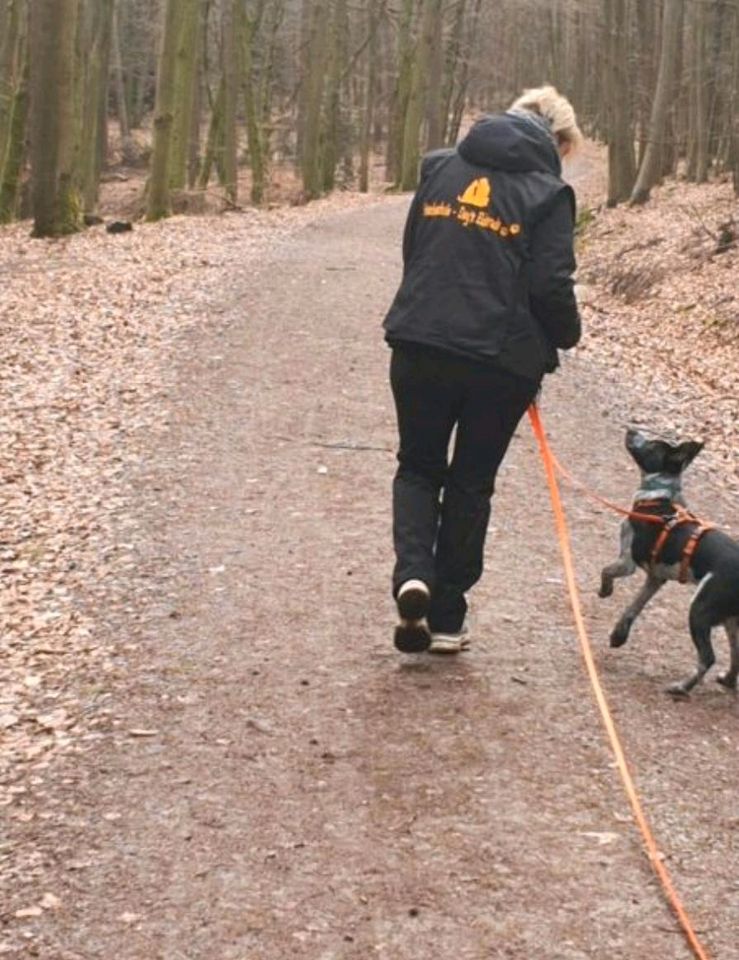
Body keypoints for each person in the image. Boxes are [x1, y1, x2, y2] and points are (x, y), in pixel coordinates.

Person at [384, 85, 583, 655]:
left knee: (418, 467)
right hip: (500, 363)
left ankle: (413, 576)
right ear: (559, 140)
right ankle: (446, 618)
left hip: (420, 341)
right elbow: (550, 284)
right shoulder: (549, 194)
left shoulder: (439, 168)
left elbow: (415, 249)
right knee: (471, 481)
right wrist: (565, 335)